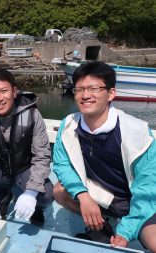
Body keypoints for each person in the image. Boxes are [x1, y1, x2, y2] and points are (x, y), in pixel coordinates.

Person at [52, 61, 156, 251]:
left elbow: (147, 189)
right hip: (105, 197)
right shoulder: (69, 125)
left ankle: (124, 226)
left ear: (111, 93)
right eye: (79, 89)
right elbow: (61, 164)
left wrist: (125, 232)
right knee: (59, 191)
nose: (85, 95)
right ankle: (103, 227)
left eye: (93, 88)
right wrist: (84, 196)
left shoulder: (136, 132)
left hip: (139, 202)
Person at [0, 67, 53, 225]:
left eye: (4, 91)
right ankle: (1, 197)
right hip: (0, 169)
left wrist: (31, 192)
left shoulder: (32, 115)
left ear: (14, 92)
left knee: (47, 195)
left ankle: (34, 207)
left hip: (24, 169)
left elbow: (42, 155)